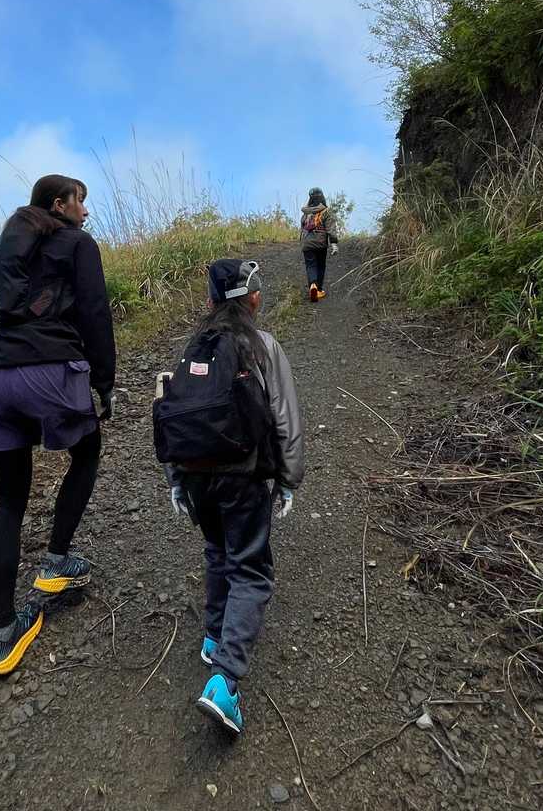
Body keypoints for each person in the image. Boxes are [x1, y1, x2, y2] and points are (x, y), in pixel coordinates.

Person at [154, 259, 304, 735]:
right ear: (252, 298)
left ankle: (214, 635)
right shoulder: (262, 346)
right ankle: (225, 679)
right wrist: (288, 479)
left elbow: (173, 411)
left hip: (196, 477)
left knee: (217, 552)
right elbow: (285, 418)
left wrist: (176, 479)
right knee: (251, 570)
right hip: (243, 477)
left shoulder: (194, 346)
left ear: (211, 301)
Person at [0, 174, 116, 676]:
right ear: (60, 204)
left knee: (9, 501)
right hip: (50, 369)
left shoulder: (14, 246)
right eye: (81, 201)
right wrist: (104, 382)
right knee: (88, 451)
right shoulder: (78, 244)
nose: (86, 211)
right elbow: (95, 313)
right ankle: (56, 560)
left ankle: (2, 635)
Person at [299, 187, 338, 302]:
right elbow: (331, 229)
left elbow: (302, 227)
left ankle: (313, 286)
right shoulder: (326, 211)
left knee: (310, 265)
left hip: (307, 243)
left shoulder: (306, 212)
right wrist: (334, 243)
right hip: (320, 244)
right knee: (320, 266)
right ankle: (319, 290)